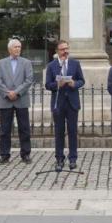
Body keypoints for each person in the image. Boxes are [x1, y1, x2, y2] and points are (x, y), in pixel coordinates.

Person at [45, 40, 85, 171]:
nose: (65, 51)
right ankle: (59, 158)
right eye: (62, 49)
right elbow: (47, 85)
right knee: (59, 132)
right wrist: (58, 85)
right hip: (59, 103)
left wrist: (74, 84)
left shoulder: (75, 63)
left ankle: (73, 159)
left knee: (73, 132)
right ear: (57, 51)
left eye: (67, 49)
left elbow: (81, 80)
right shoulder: (51, 66)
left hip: (72, 102)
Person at [0, 38, 33, 164]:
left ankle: (25, 154)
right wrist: (7, 93)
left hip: (21, 99)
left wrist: (16, 92)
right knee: (5, 130)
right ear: (9, 49)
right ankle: (5, 155)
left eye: (19, 47)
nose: (18, 49)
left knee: (24, 129)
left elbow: (29, 80)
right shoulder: (0, 63)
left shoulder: (26, 62)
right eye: (15, 47)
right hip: (6, 100)